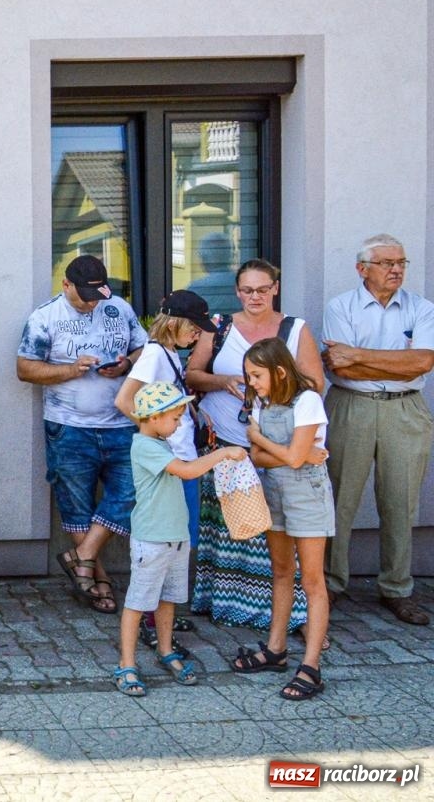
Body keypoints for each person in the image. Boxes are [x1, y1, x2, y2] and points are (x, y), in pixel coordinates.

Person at [185, 258, 323, 630]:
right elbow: (193, 374)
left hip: (278, 447)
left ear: (275, 288)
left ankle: (285, 616)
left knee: (274, 531)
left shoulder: (295, 329)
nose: (255, 297)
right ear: (237, 292)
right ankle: (229, 603)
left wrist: (271, 390)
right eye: (247, 290)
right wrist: (225, 381)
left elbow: (315, 384)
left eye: (263, 289)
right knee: (233, 527)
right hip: (226, 443)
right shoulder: (220, 327)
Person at [16, 255, 146, 613]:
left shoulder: (117, 307)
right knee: (76, 506)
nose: (91, 302)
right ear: (66, 286)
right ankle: (97, 578)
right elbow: (24, 369)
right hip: (69, 426)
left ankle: (81, 555)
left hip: (122, 422)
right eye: (84, 295)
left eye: (96, 294)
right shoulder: (45, 317)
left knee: (131, 490)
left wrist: (126, 364)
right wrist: (71, 370)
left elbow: (143, 348)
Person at [321, 233, 434, 625]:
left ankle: (397, 588)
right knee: (339, 498)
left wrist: (359, 355)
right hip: (350, 406)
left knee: (401, 501)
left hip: (405, 410)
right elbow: (339, 365)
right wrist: (391, 362)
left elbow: (421, 363)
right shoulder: (341, 306)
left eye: (401, 262)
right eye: (387, 263)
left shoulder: (421, 308)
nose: (397, 269)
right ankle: (331, 583)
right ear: (362, 269)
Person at [112, 382, 246, 698]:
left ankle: (165, 648)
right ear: (154, 418)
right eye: (175, 418)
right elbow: (185, 472)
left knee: (168, 598)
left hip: (174, 537)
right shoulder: (145, 446)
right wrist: (222, 453)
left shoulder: (160, 443)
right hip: (152, 539)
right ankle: (126, 662)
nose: (179, 424)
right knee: (138, 602)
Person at [229, 339, 334, 699]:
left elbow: (283, 456)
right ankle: (276, 650)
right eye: (248, 376)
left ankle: (312, 665)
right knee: (281, 571)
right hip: (273, 494)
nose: (251, 383)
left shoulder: (307, 401)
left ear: (279, 371)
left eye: (256, 375)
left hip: (307, 496)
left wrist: (262, 439)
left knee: (313, 580)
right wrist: (297, 454)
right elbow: (259, 459)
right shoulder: (262, 401)